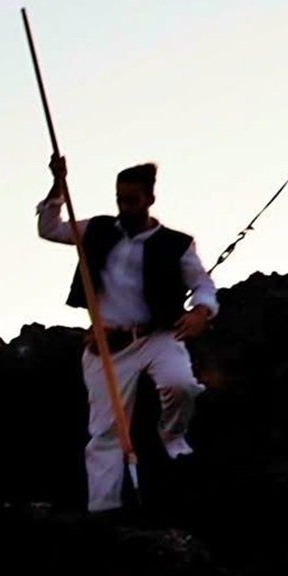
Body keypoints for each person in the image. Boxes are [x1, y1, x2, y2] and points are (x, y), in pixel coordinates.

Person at [36, 156, 219, 513]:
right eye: (120, 199)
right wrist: (58, 183)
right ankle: (102, 509)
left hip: (157, 336)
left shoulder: (176, 243)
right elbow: (49, 228)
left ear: (150, 199)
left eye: (132, 200)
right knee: (105, 431)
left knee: (180, 384)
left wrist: (200, 312)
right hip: (107, 344)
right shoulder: (98, 230)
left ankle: (172, 434)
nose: (124, 207)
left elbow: (202, 284)